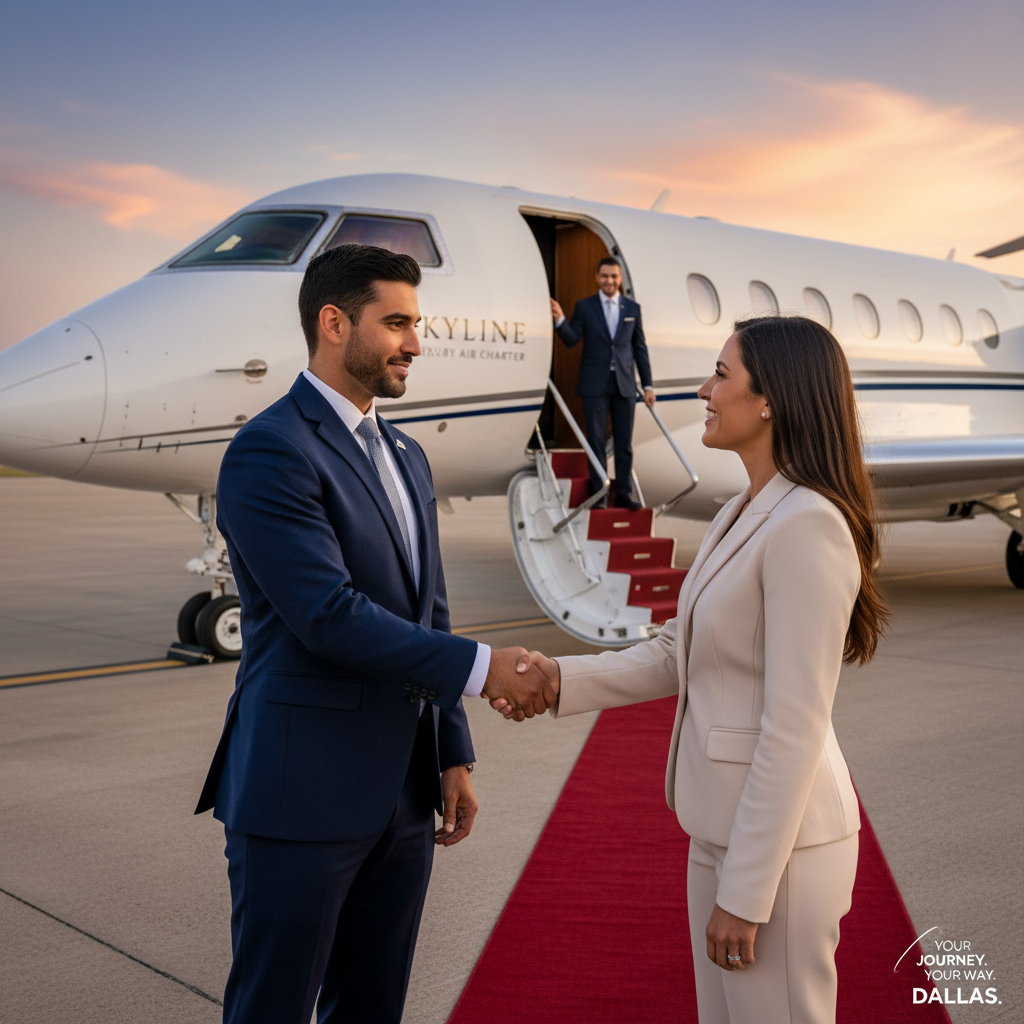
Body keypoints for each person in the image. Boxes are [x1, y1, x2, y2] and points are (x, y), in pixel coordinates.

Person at [194, 244, 555, 1024]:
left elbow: (431, 609)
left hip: (405, 794)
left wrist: (451, 751)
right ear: (334, 324)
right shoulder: (270, 449)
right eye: (396, 324)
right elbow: (328, 615)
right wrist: (485, 670)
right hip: (302, 792)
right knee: (273, 1008)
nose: (415, 344)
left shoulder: (406, 454)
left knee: (372, 1007)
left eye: (415, 324)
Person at [495, 315, 889, 1024]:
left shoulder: (808, 523)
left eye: (721, 374)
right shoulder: (742, 510)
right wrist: (558, 680)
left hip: (781, 852)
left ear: (770, 401)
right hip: (719, 829)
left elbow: (794, 725)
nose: (704, 390)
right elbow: (679, 649)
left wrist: (746, 892)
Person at [550, 257, 655, 509]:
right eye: (605, 276)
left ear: (620, 279)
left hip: (625, 384)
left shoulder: (632, 309)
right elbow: (572, 340)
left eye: (614, 276)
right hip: (594, 384)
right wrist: (560, 320)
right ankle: (600, 493)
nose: (610, 281)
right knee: (595, 440)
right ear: (597, 278)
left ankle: (624, 493)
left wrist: (648, 386)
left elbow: (639, 349)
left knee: (623, 444)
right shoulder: (585, 306)